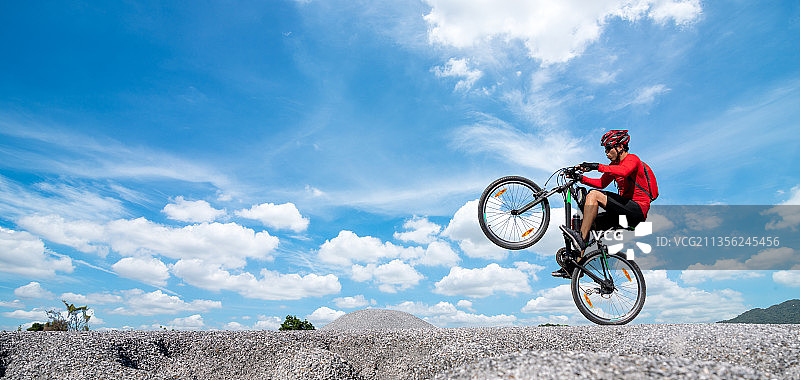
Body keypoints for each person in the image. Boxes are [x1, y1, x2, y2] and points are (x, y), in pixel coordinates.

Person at [552, 130, 652, 278]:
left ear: (620, 147)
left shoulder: (632, 160)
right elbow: (601, 183)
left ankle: (581, 239)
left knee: (593, 195)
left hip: (637, 210)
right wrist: (580, 177)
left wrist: (596, 166)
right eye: (604, 149)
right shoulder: (614, 166)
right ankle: (575, 268)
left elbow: (624, 172)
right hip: (622, 212)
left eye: (608, 147)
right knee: (584, 224)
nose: (605, 152)